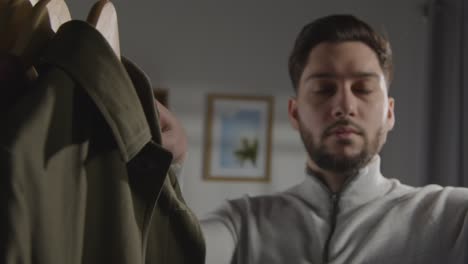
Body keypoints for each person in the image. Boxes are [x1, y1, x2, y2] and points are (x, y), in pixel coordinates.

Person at [200, 14, 468, 264]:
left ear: (389, 113)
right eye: (324, 89)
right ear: (295, 113)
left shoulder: (452, 217)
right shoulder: (242, 224)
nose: (344, 105)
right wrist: (162, 166)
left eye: (363, 89)